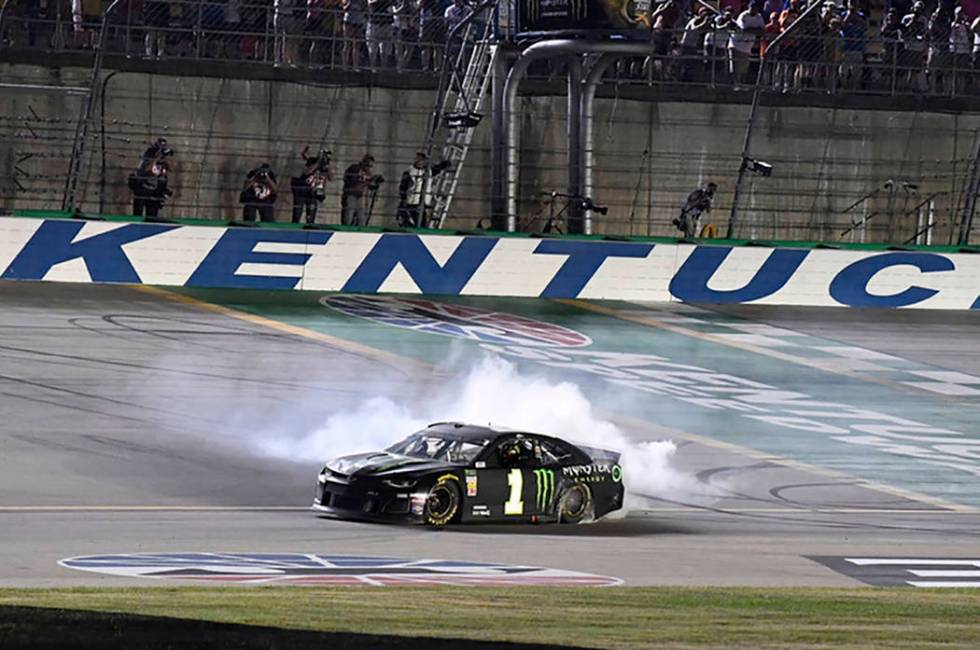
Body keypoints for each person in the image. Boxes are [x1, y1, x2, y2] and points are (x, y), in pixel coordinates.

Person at [397, 152, 450, 227]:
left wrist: (445, 163)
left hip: (423, 204)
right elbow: (403, 187)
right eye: (418, 159)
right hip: (412, 203)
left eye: (422, 160)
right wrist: (404, 198)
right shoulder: (409, 172)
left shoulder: (428, 171)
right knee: (412, 223)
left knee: (422, 223)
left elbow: (438, 168)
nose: (420, 162)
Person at [129, 138, 174, 218]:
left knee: (152, 217)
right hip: (142, 188)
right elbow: (144, 167)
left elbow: (163, 178)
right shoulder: (149, 154)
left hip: (155, 193)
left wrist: (164, 192)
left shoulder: (163, 166)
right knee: (137, 215)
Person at [292, 147, 334, 224]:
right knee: (297, 212)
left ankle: (310, 225)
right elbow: (307, 172)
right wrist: (318, 163)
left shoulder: (327, 166)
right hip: (304, 189)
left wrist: (328, 167)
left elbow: (331, 178)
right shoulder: (312, 160)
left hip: (315, 192)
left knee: (311, 213)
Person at [341, 154, 383, 226]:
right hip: (350, 195)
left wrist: (376, 182)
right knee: (349, 216)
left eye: (370, 166)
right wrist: (369, 181)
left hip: (359, 196)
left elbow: (369, 185)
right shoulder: (354, 169)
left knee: (361, 217)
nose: (369, 168)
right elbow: (355, 186)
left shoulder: (367, 172)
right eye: (368, 165)